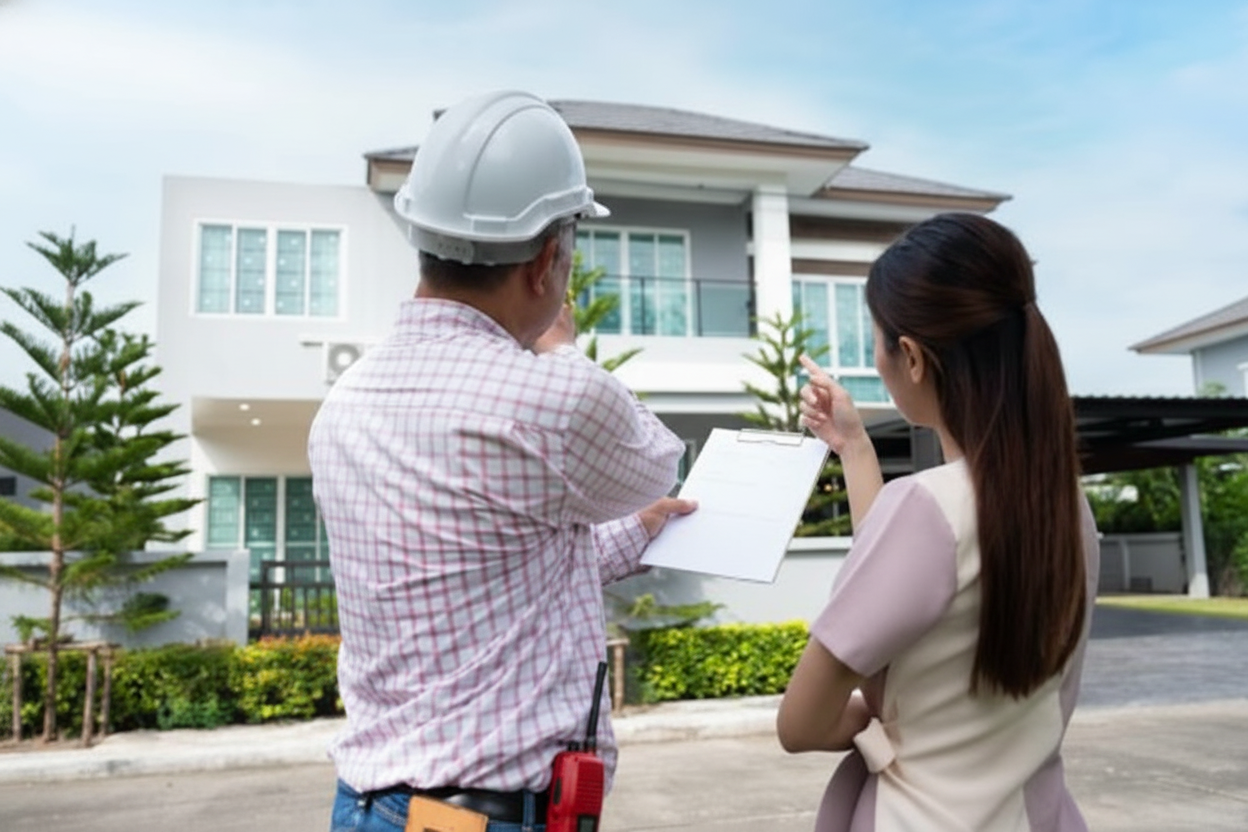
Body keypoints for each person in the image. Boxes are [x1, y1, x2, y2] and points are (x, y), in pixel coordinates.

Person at [310, 91, 695, 832]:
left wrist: (638, 530)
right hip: (475, 817)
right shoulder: (543, 396)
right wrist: (559, 346)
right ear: (549, 259)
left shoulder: (346, 401)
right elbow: (657, 462)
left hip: (371, 807)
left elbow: (488, 565)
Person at [776, 212, 1100, 831]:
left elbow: (801, 723)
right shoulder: (1065, 508)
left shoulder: (928, 508)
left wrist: (868, 728)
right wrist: (856, 447)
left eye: (875, 337)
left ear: (913, 357)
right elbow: (910, 571)